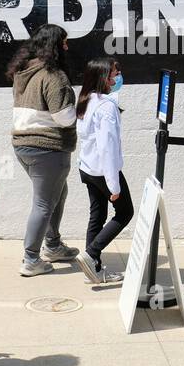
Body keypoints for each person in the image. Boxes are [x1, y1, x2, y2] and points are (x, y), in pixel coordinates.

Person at [9, 24, 81, 276]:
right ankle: (31, 259)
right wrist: (82, 108)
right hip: (48, 148)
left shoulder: (24, 71)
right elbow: (64, 118)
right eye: (64, 42)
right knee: (43, 203)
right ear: (54, 45)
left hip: (23, 146)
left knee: (57, 194)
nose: (67, 46)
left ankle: (53, 245)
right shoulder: (54, 76)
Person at [74, 58, 130, 284]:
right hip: (102, 171)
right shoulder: (105, 107)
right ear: (104, 77)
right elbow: (107, 147)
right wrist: (114, 185)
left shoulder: (87, 100)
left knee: (97, 215)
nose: (118, 77)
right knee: (125, 213)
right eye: (115, 73)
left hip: (88, 168)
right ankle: (91, 254)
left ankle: (92, 270)